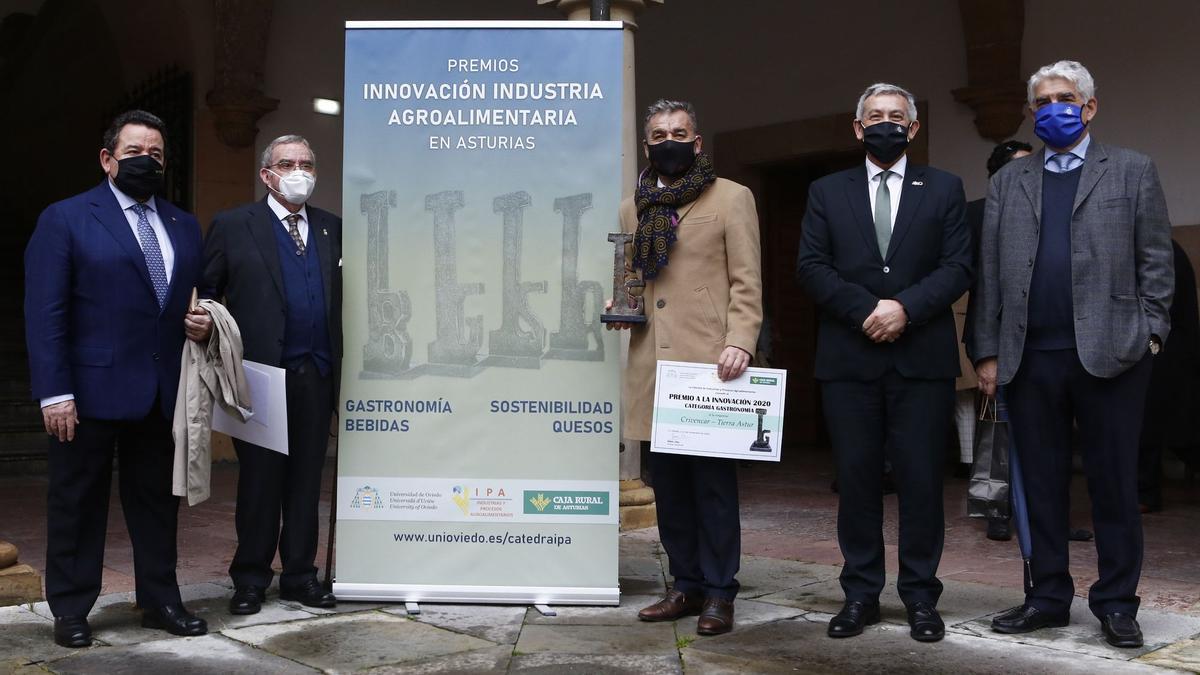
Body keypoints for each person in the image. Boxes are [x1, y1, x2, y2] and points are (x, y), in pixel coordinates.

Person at [968, 60, 1173, 649]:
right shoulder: (1011, 180)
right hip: (1029, 358)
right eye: (1043, 101)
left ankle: (1116, 603)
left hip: (1113, 355)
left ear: (1089, 107)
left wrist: (1150, 333)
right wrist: (987, 351)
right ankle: (1048, 597)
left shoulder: (1132, 170)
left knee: (1113, 484)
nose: (1053, 108)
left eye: (1065, 98)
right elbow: (990, 274)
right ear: (1032, 113)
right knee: (1041, 484)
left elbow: (1156, 261)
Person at [24, 110, 211, 647]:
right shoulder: (66, 218)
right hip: (87, 393)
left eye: (155, 154)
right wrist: (54, 392)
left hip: (160, 391)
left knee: (157, 503)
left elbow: (188, 299)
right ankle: (72, 608)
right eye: (134, 152)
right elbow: (46, 313)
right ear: (108, 159)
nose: (146, 161)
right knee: (77, 502)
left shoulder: (183, 224)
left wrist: (201, 321)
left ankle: (160, 600)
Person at [796, 83, 972, 643]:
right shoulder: (827, 191)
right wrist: (868, 310)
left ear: (913, 129)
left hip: (921, 360)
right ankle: (860, 595)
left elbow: (958, 266)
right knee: (857, 482)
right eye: (875, 117)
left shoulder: (944, 188)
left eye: (897, 117)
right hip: (850, 360)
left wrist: (906, 309)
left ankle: (921, 597)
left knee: (922, 484)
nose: (886, 124)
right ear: (856, 127)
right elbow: (812, 267)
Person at [610, 99, 762, 636]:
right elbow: (633, 277)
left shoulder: (732, 198)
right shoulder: (633, 208)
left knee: (713, 487)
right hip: (655, 364)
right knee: (669, 486)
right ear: (647, 143)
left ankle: (721, 592)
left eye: (678, 132)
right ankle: (685, 583)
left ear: (697, 142)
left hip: (711, 366)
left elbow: (747, 280)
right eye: (658, 133)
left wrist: (741, 340)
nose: (668, 139)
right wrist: (623, 309)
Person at [200, 135, 341, 614]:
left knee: (306, 479)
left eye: (306, 162)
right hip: (259, 375)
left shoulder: (331, 229)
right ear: (267, 174)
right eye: (287, 163)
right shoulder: (235, 225)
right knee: (260, 480)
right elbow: (208, 292)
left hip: (316, 372)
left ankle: (301, 575)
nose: (298, 170)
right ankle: (251, 579)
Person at [956, 140, 1032, 543]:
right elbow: (974, 283)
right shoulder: (977, 214)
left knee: (1044, 430)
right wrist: (984, 352)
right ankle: (997, 509)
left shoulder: (1048, 205)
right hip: (997, 337)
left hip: (1042, 339)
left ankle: (1042, 513)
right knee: (997, 427)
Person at [1138, 240, 1199, 513]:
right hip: (1173, 351)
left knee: (1152, 423)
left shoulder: (1160, 252)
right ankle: (1144, 491)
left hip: (1165, 351)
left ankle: (1145, 493)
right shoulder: (1167, 248)